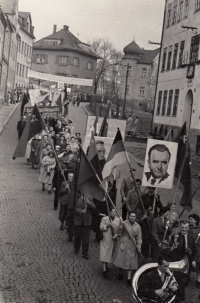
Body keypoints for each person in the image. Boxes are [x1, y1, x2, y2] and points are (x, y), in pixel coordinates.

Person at [112, 211, 142, 285]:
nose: (132, 217)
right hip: (124, 242)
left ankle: (129, 278)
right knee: (122, 258)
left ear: (136, 217)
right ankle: (120, 273)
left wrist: (139, 246)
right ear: (128, 216)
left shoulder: (137, 226)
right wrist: (121, 225)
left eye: (134, 216)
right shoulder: (124, 223)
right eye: (131, 216)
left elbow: (139, 237)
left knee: (131, 261)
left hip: (133, 244)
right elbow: (119, 232)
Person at [99, 208, 121, 278]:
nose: (114, 213)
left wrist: (117, 234)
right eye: (113, 212)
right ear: (110, 212)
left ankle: (117, 270)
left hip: (114, 238)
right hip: (106, 237)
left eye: (115, 212)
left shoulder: (118, 220)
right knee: (105, 252)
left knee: (113, 253)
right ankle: (104, 269)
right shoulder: (105, 218)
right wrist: (107, 225)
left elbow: (120, 229)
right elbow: (101, 227)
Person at [73, 194, 96, 259]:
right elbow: (74, 209)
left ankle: (85, 253)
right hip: (78, 221)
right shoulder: (77, 197)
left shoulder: (90, 198)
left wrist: (89, 204)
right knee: (77, 236)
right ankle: (76, 249)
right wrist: (81, 211)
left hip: (87, 222)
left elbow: (94, 208)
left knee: (86, 238)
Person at [188, 214, 200, 288]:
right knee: (189, 264)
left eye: (191, 219)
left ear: (196, 220)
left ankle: (198, 280)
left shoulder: (199, 229)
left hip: (198, 250)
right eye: (189, 219)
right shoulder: (188, 229)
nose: (190, 221)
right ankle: (187, 278)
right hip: (191, 249)